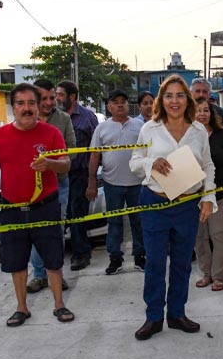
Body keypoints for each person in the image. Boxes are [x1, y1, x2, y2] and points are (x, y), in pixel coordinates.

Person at [129, 75, 217, 341]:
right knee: (155, 262)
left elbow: (208, 166)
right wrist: (150, 163)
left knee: (182, 263)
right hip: (155, 202)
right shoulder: (150, 129)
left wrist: (208, 198)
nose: (174, 101)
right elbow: (135, 162)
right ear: (161, 100)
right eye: (169, 96)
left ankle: (177, 314)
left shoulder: (199, 130)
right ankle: (153, 317)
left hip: (186, 204)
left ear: (187, 99)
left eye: (180, 95)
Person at [0, 83, 74, 326]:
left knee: (54, 260)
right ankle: (21, 308)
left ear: (38, 106)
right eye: (21, 104)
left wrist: (51, 165)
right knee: (16, 261)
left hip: (45, 206)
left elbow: (65, 164)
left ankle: (59, 305)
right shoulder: (0, 136)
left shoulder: (51, 133)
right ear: (13, 108)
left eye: (31, 103)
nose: (27, 108)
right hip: (12, 210)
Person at [86, 89, 145, 275]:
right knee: (114, 222)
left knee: (139, 222)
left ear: (129, 105)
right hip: (112, 183)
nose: (120, 105)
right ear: (109, 106)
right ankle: (115, 258)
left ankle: (140, 256)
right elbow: (94, 155)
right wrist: (92, 181)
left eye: (124, 101)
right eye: (116, 102)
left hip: (138, 183)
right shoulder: (101, 128)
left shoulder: (140, 126)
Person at [27, 79, 75, 294]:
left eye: (51, 97)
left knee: (55, 230)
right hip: (31, 187)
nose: (48, 102)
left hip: (59, 184)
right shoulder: (25, 120)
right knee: (34, 231)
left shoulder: (63, 120)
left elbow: (71, 151)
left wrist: (52, 163)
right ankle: (39, 275)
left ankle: (55, 272)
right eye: (43, 98)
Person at [194, 100, 223, 291]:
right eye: (197, 111)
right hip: (194, 195)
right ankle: (206, 274)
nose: (202, 114)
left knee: (219, 234)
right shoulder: (186, 135)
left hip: (221, 193)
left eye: (206, 110)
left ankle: (218, 276)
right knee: (200, 237)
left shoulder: (221, 135)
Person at [57, 80, 98, 271]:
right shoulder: (56, 118)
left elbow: (96, 150)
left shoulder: (87, 117)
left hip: (79, 174)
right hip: (58, 175)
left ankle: (81, 253)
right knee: (61, 215)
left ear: (72, 97)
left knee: (76, 215)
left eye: (60, 94)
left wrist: (92, 180)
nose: (57, 98)